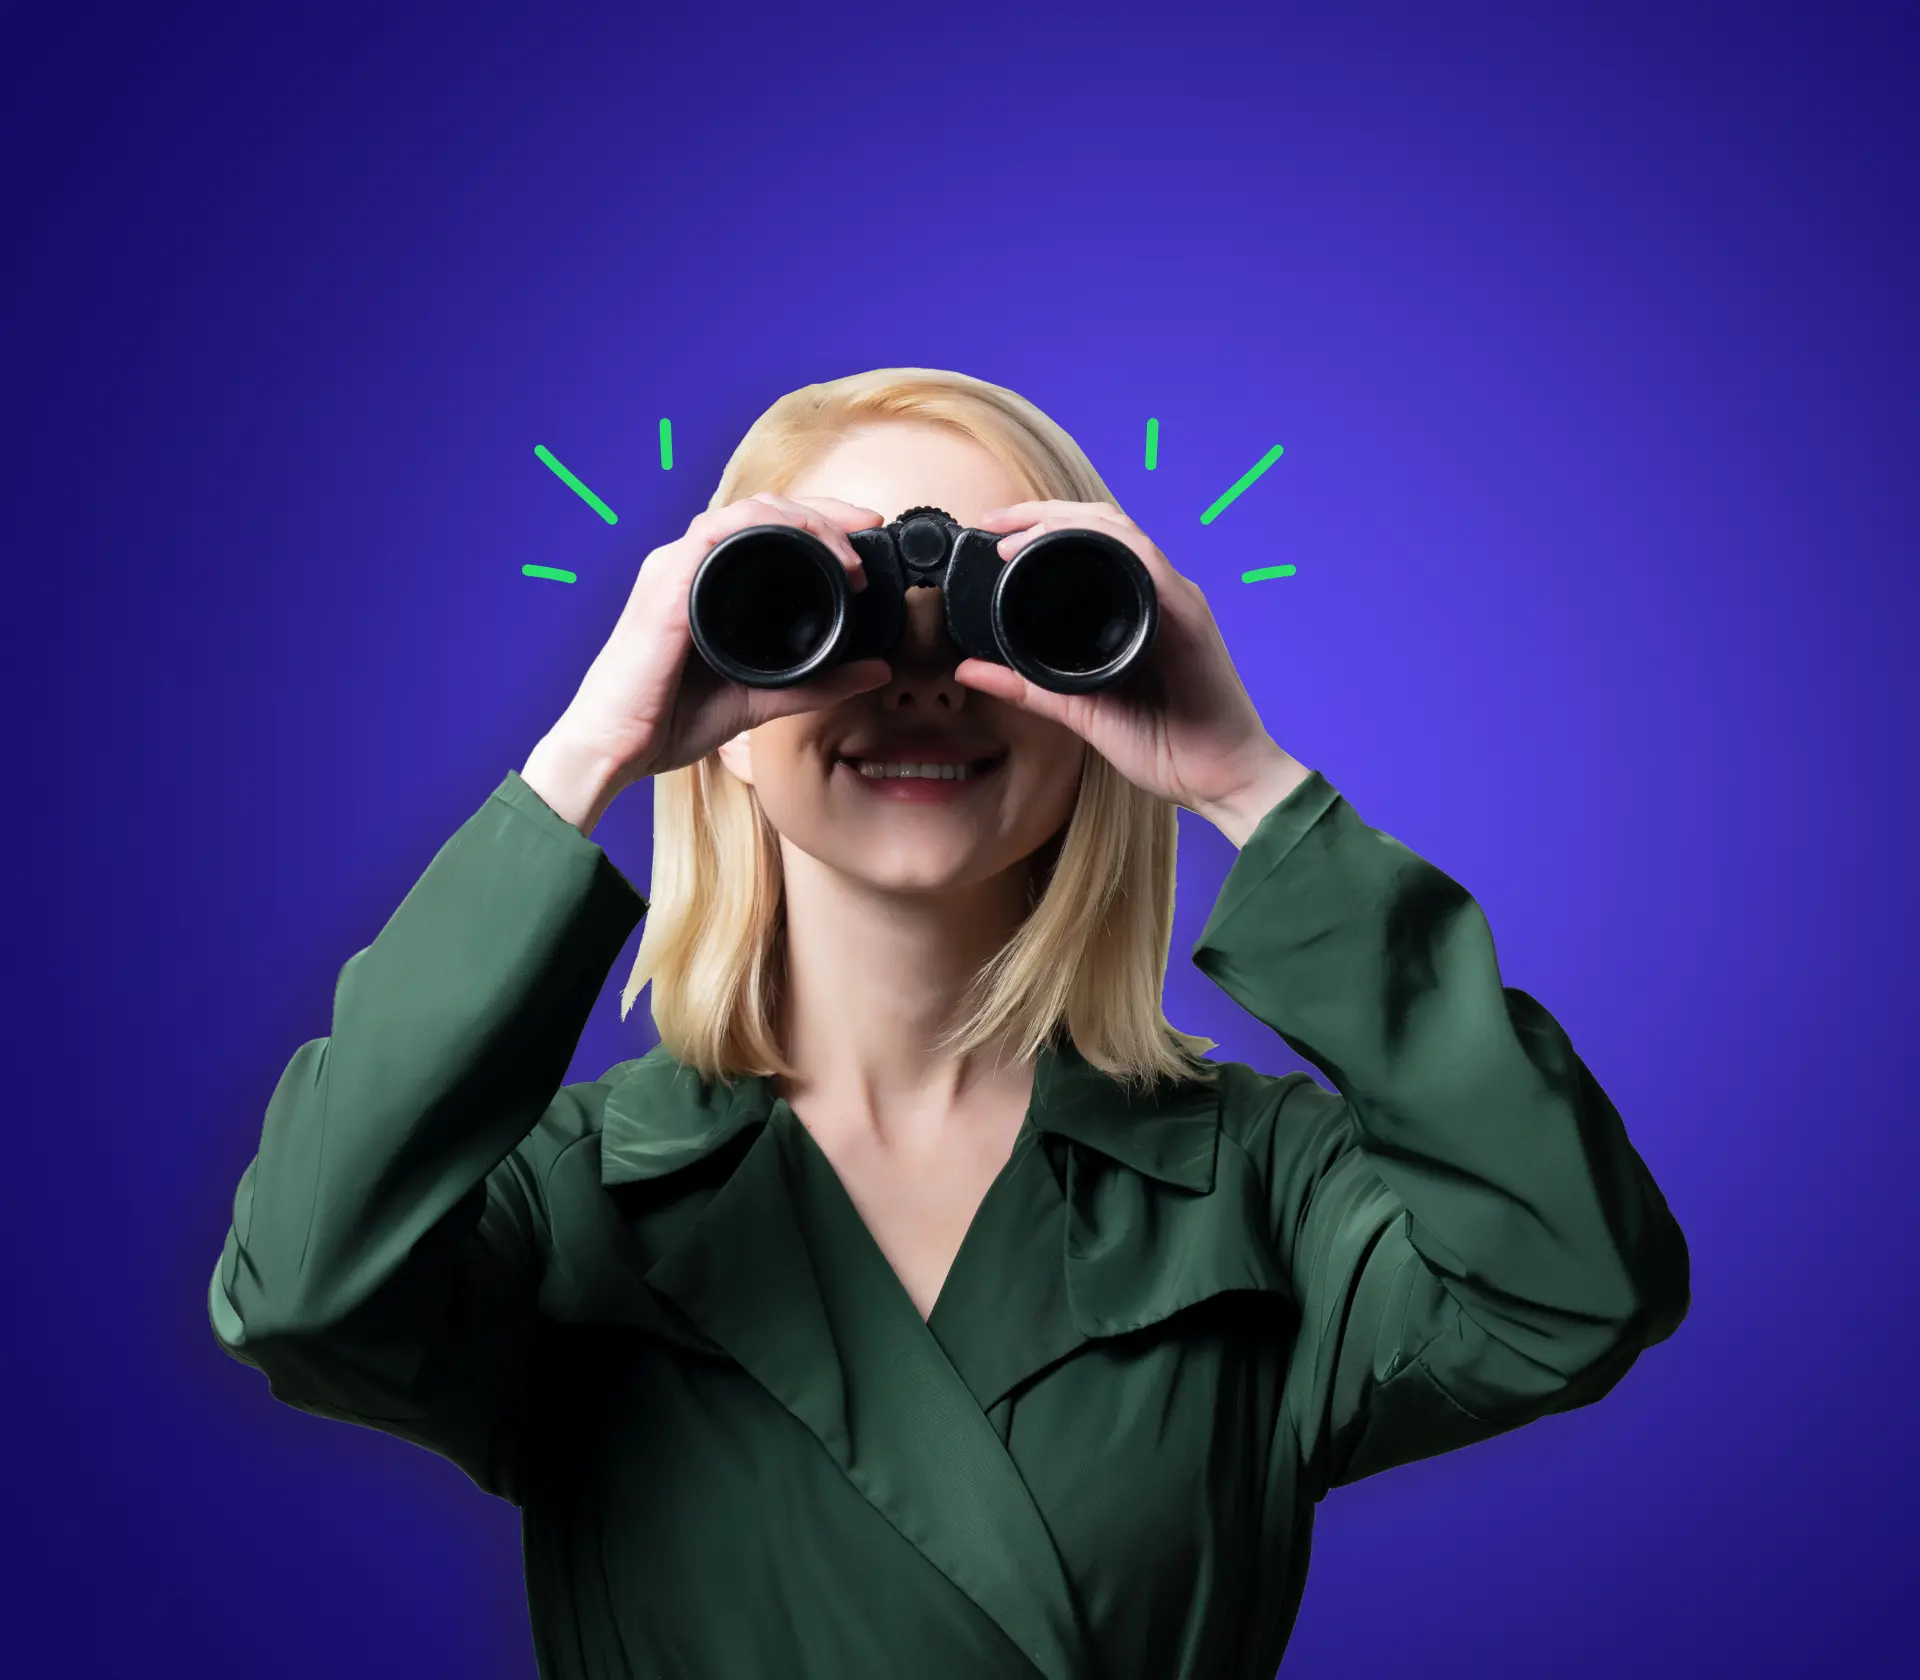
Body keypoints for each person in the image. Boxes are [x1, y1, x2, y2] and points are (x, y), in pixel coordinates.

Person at [207, 367, 1690, 1680]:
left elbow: (1573, 1292)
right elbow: (302, 1293)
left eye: (1007, 614)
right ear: (719, 689)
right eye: (821, 610)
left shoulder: (1262, 1189)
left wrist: (1244, 776)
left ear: (1103, 673)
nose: (920, 680)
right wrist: (589, 749)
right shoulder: (569, 1199)